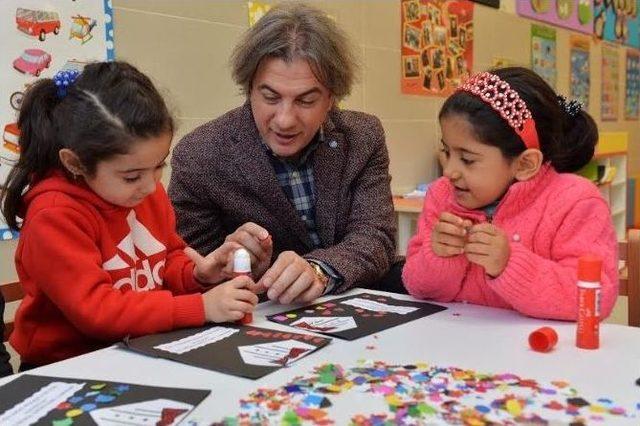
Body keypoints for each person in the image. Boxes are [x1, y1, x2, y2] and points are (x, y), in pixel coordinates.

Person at [0, 62, 258, 368]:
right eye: (132, 176)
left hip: (138, 347)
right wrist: (201, 307)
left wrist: (196, 275)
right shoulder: (54, 216)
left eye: (160, 165)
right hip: (69, 367)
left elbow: (166, 258)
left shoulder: (144, 191)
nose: (151, 186)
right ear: (75, 163)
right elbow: (98, 311)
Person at [169, 2, 401, 305]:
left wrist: (319, 270)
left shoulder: (362, 136)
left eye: (305, 101)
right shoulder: (200, 156)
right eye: (270, 97)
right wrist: (236, 266)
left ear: (332, 97)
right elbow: (190, 271)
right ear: (249, 87)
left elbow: (375, 237)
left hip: (355, 299)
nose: (285, 120)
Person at [402, 67, 618, 321]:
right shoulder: (442, 195)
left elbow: (594, 299)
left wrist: (509, 263)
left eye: (468, 159)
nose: (449, 171)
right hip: (459, 348)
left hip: (540, 354)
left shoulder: (576, 201)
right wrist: (438, 255)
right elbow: (417, 287)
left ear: (525, 164)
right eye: (446, 152)